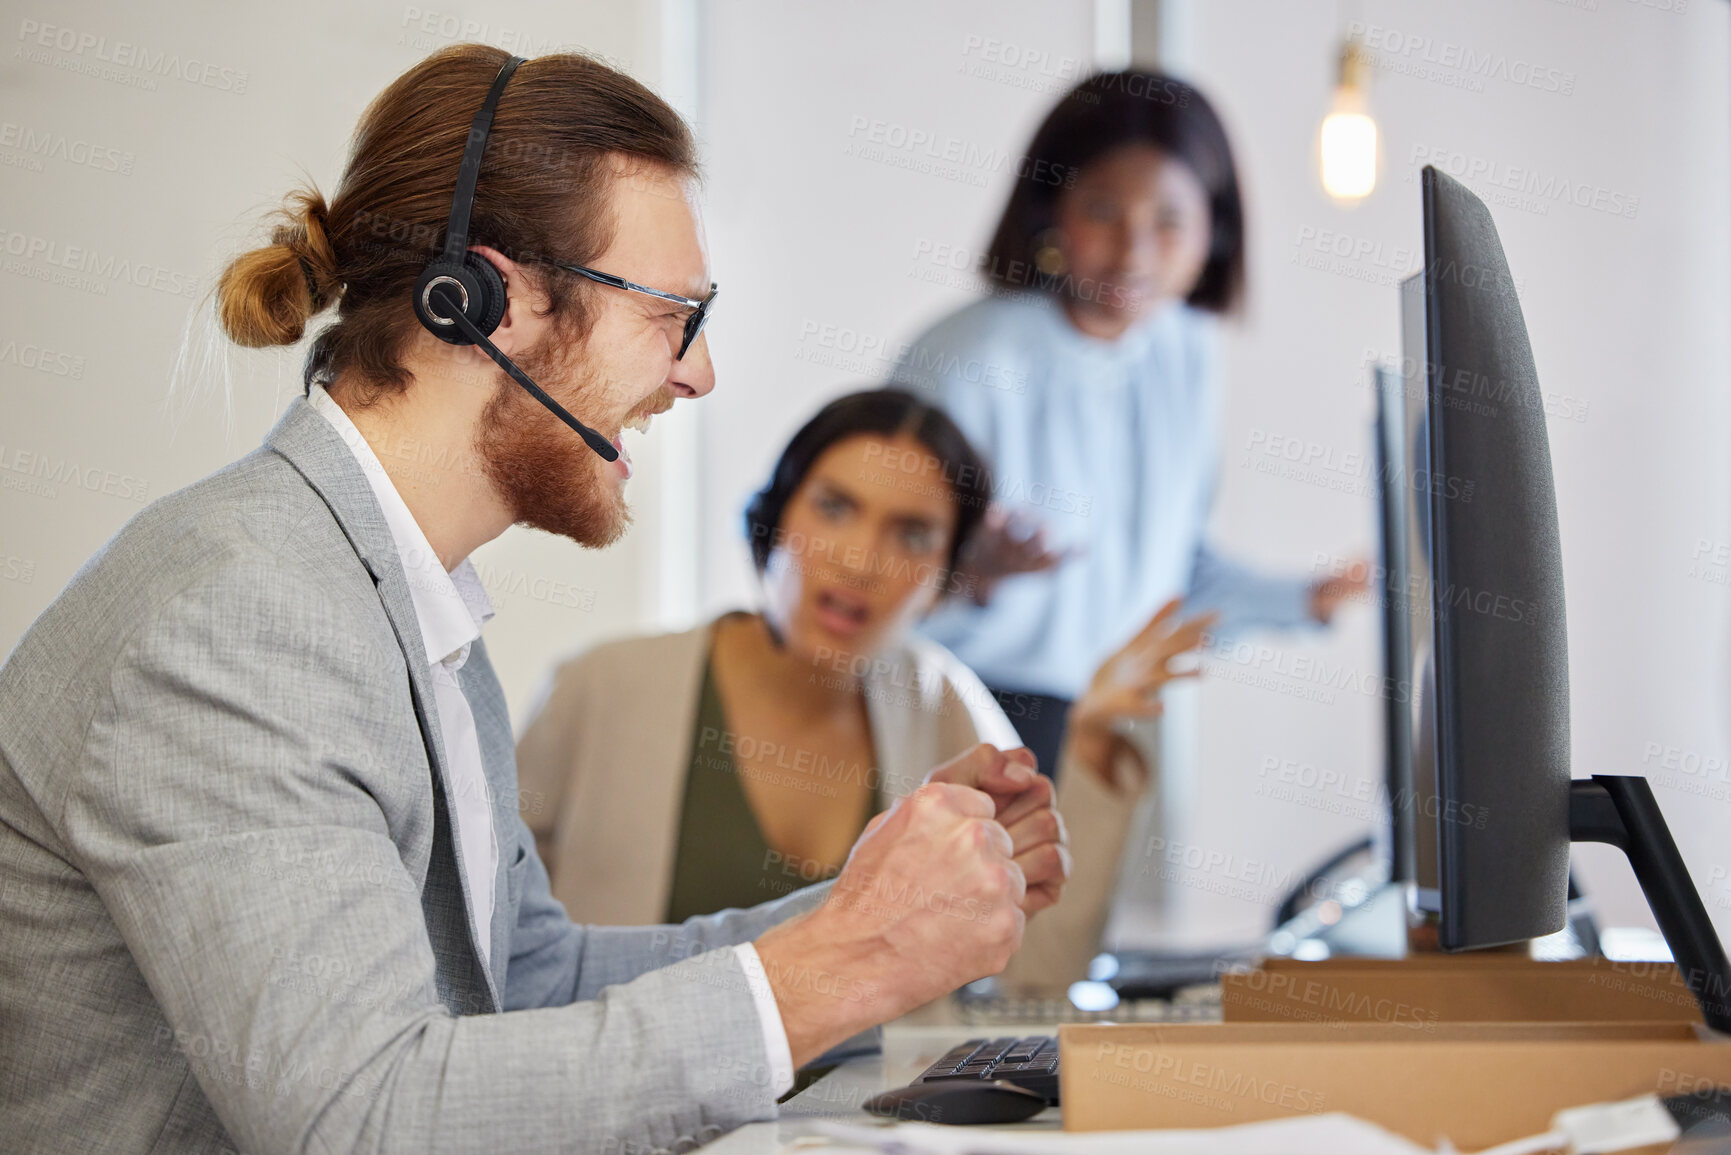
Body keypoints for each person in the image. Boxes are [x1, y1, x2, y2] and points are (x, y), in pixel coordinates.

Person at [0, 47, 1068, 1154]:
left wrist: (880, 915)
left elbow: (521, 978)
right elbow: (359, 1118)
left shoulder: (407, 607)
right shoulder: (239, 620)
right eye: (670, 315)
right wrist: (848, 963)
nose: (697, 375)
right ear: (490, 305)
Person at [515, 388, 1206, 985]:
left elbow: (1037, 976)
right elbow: (488, 946)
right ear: (776, 516)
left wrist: (1090, 741)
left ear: (944, 576)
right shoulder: (604, 686)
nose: (860, 560)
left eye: (911, 534)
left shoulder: (943, 704)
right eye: (835, 507)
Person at [890, 68, 1366, 791]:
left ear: (1215, 229)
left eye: (1169, 221)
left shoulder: (1181, 349)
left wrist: (1304, 599)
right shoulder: (967, 357)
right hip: (956, 714)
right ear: (1051, 211)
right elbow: (860, 560)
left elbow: (1170, 569)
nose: (1134, 251)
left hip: (1102, 720)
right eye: (1103, 210)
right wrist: (967, 568)